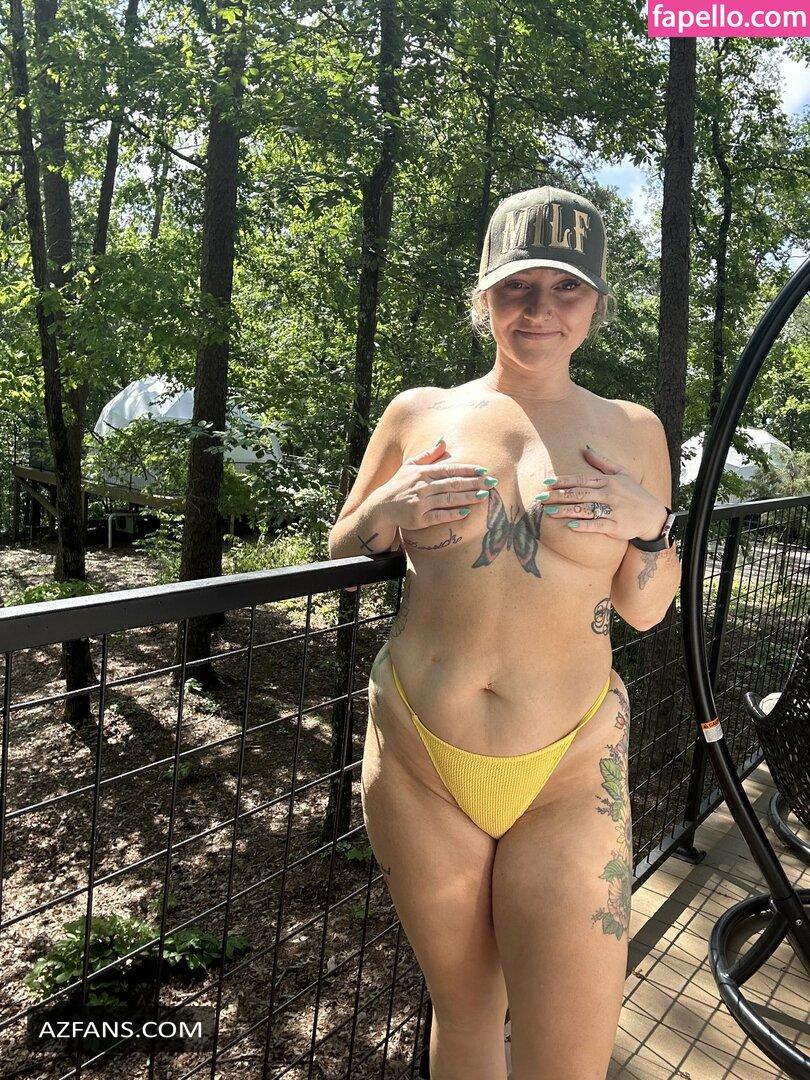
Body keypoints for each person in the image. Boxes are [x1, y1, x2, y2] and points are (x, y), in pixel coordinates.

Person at [328, 185, 681, 1079]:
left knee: (569, 1054)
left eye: (566, 287)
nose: (539, 309)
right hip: (419, 757)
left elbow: (646, 607)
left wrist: (651, 526)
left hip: (572, 772)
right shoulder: (418, 414)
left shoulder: (633, 430)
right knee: (467, 1016)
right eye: (517, 285)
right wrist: (385, 507)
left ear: (596, 303)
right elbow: (344, 543)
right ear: (484, 295)